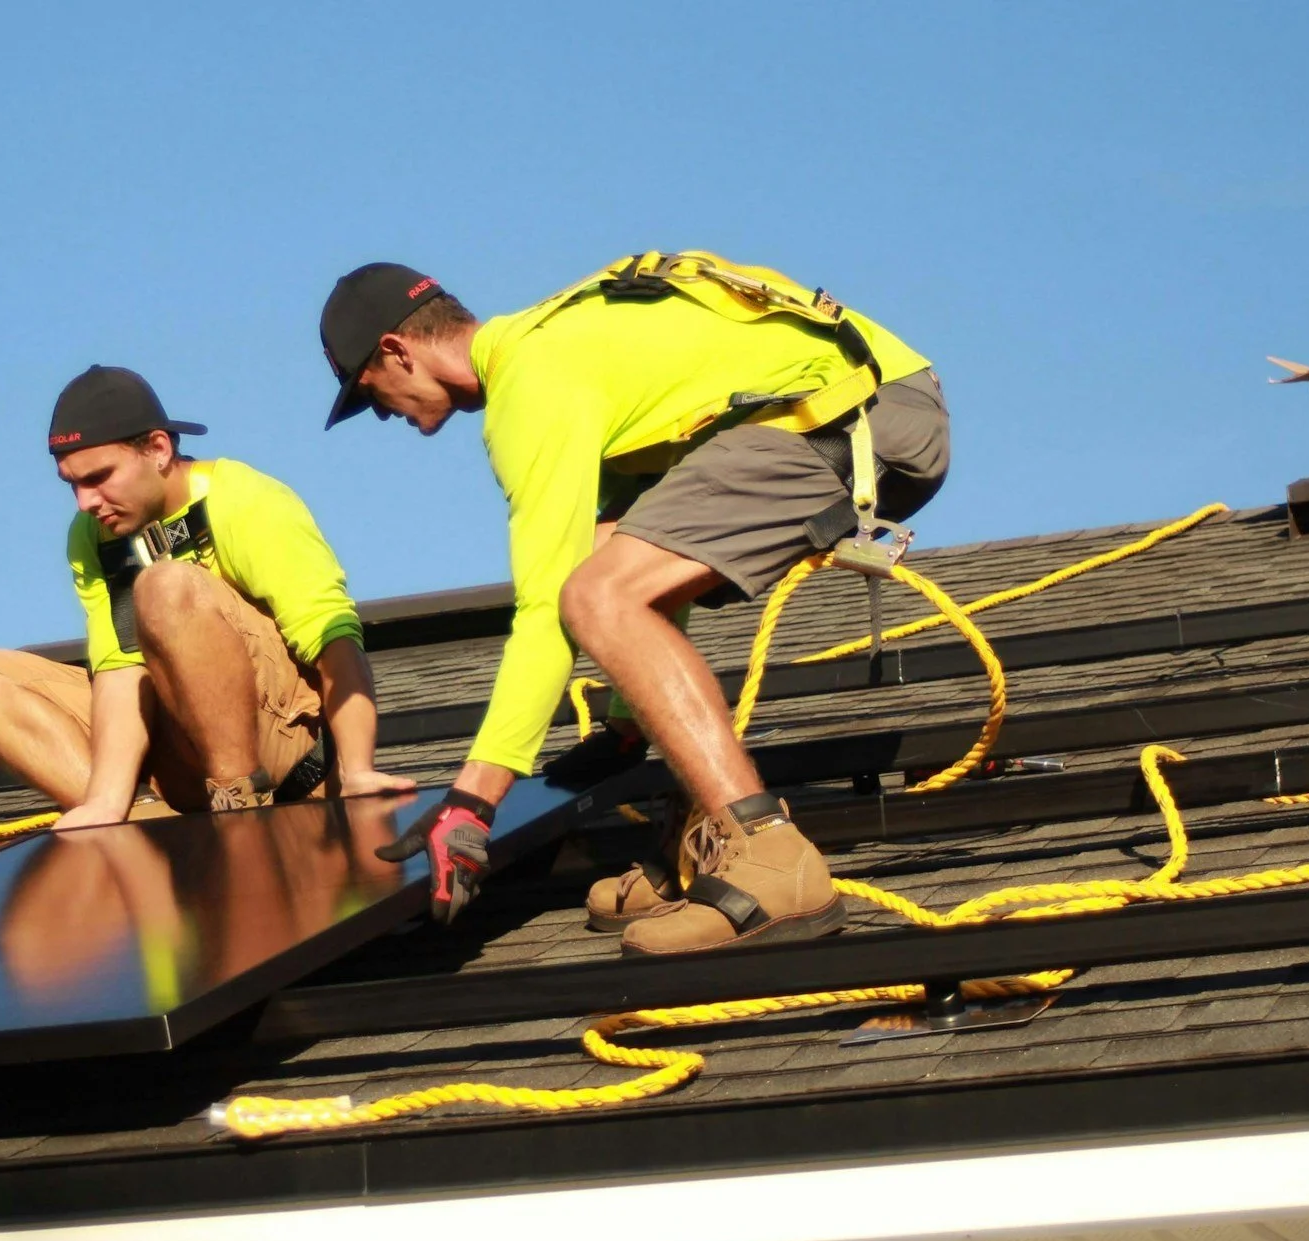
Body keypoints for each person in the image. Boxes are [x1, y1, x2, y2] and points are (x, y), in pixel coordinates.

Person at [324, 252, 948, 954]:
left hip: (849, 414)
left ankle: (773, 858)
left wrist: (472, 802)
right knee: (606, 563)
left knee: (591, 595)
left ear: (396, 350)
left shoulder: (532, 382)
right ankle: (700, 840)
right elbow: (645, 528)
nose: (379, 414)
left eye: (366, 391)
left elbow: (548, 611)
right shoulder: (557, 347)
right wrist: (625, 728)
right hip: (863, 401)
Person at [0, 365, 414, 828]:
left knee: (163, 586)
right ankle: (143, 826)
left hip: (286, 750)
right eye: (72, 484)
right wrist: (105, 802)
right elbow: (118, 668)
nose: (85, 502)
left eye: (98, 477)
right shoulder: (92, 536)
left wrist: (357, 771)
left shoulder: (242, 498)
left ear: (157, 449)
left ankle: (240, 804)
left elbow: (332, 634)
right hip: (179, 758)